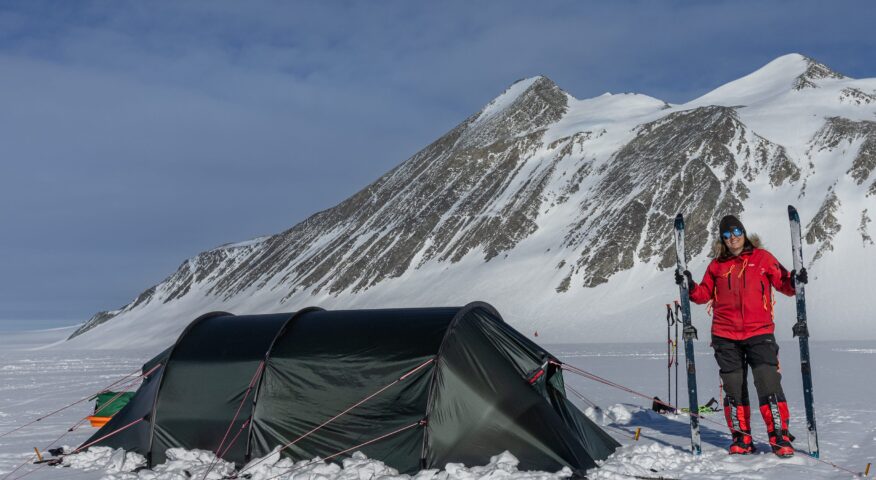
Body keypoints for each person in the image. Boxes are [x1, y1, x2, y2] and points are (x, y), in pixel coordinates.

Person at [675, 214, 807, 457]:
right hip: (725, 335)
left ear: (744, 233)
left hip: (760, 333)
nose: (732, 238)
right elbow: (703, 294)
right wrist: (690, 286)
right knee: (734, 388)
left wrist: (795, 280)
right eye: (726, 235)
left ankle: (779, 435)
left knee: (768, 381)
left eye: (736, 232)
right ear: (722, 239)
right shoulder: (716, 265)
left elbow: (784, 284)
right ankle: (741, 437)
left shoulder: (763, 258)